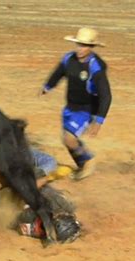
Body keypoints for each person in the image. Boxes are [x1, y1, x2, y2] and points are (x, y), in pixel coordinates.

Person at [38, 27, 112, 180]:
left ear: (92, 48)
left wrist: (99, 121)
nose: (80, 49)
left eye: (85, 46)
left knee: (69, 138)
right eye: (79, 44)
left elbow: (106, 95)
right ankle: (82, 164)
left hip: (87, 109)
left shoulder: (95, 66)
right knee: (66, 139)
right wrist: (47, 86)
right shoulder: (69, 59)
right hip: (70, 107)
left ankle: (88, 160)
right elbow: (58, 73)